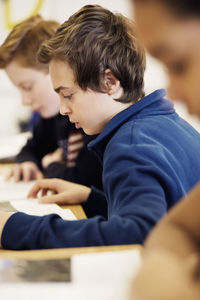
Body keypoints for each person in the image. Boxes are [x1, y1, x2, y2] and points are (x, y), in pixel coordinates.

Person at [1, 4, 200, 250]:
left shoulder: (129, 144)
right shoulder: (162, 121)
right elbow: (161, 213)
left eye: (68, 95)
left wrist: (15, 227)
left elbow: (139, 232)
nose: (63, 109)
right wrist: (91, 198)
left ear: (110, 82)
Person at [0, 15, 103, 218]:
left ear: (55, 69)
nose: (25, 101)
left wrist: (51, 165)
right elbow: (33, 146)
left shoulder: (88, 117)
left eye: (27, 87)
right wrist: (27, 162)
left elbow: (82, 181)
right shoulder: (51, 117)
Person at [130, 0, 200, 299]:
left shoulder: (132, 142)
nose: (174, 93)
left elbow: (140, 227)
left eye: (179, 64)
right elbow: (177, 228)